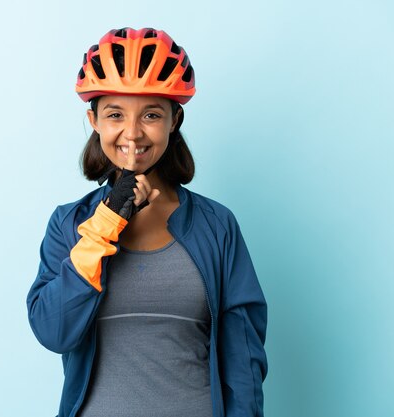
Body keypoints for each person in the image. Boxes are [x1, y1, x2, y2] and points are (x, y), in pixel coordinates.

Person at [26, 27, 267, 417]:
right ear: (94, 120)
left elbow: (244, 359)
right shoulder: (70, 224)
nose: (133, 133)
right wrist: (106, 222)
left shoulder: (217, 225)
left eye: (151, 114)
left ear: (174, 120)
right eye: (115, 114)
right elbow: (54, 331)